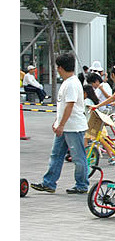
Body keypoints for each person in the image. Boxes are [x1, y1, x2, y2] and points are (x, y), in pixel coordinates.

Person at [31, 53, 89, 194]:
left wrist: (61, 124)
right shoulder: (68, 82)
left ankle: (82, 185)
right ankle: (49, 183)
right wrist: (57, 122)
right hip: (64, 127)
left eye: (57, 67)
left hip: (73, 127)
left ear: (61, 68)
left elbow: (70, 106)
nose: (57, 69)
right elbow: (63, 106)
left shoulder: (72, 84)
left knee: (78, 157)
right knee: (56, 154)